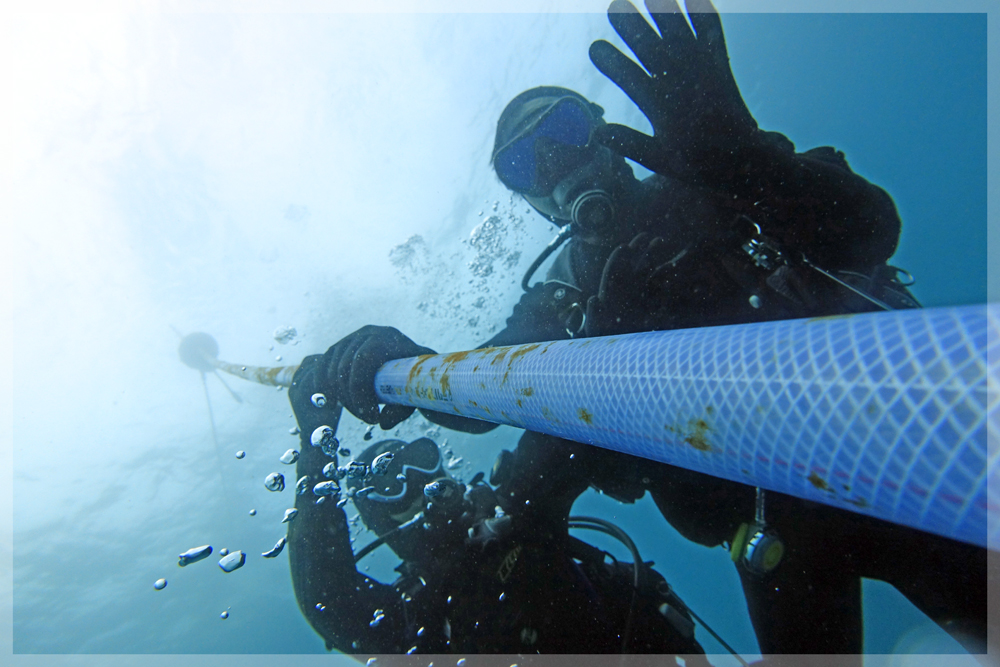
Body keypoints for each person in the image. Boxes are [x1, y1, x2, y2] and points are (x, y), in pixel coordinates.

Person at [289, 0, 987, 659]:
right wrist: (411, 366)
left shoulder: (712, 181)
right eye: (525, 165)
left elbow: (870, 229)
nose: (556, 166)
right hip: (776, 538)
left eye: (562, 132)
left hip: (908, 459)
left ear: (601, 131)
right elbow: (493, 387)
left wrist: (753, 163)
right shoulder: (562, 300)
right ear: (529, 201)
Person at [285, 375, 713, 660]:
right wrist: (315, 446)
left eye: (421, 459)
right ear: (381, 523)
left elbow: (574, 416)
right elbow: (327, 598)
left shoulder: (519, 512)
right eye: (391, 482)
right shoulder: (414, 621)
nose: (416, 481)